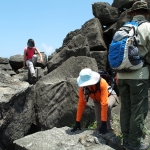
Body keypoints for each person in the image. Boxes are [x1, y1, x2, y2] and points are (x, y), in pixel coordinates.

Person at [117, 1, 150, 150]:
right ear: (147, 13)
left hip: (122, 75)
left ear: (133, 13)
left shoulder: (123, 28)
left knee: (125, 108)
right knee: (138, 110)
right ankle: (135, 144)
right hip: (139, 74)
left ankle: (125, 141)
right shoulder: (147, 27)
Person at [71, 68, 118, 134]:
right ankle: (100, 130)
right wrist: (77, 121)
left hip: (110, 95)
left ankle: (109, 130)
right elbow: (81, 104)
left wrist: (104, 123)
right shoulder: (83, 88)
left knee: (106, 107)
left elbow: (104, 103)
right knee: (99, 124)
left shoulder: (102, 82)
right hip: (97, 100)